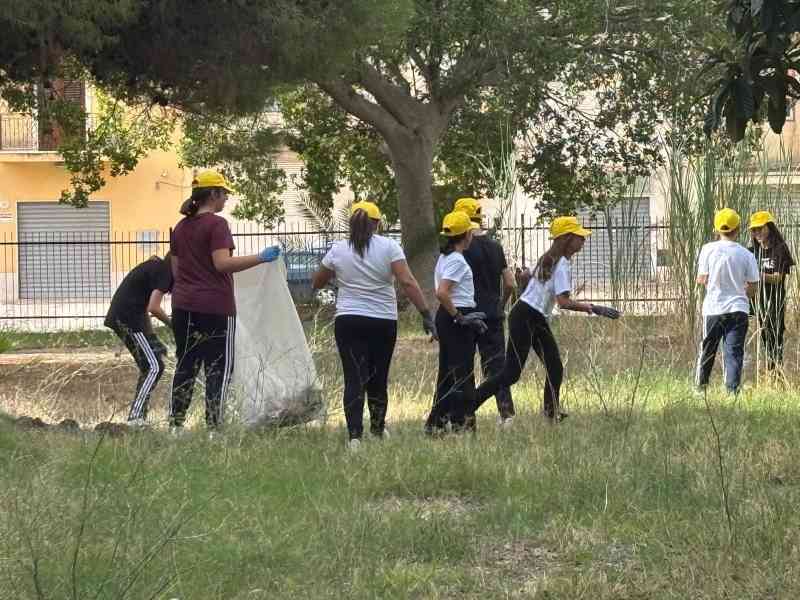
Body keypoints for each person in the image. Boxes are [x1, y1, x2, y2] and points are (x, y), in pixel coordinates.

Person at [312, 201, 435, 449]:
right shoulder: (389, 247)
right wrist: (425, 313)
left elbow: (317, 281)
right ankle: (378, 429)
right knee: (378, 377)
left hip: (348, 320)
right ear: (377, 224)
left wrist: (339, 280)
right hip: (383, 321)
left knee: (354, 378)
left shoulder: (338, 250)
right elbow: (408, 281)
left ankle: (354, 437)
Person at [474, 216, 621, 422]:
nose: (583, 240)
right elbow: (563, 301)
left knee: (554, 366)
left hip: (531, 315)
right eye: (579, 236)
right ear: (567, 239)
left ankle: (551, 414)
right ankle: (469, 403)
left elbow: (526, 279)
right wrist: (593, 308)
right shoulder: (560, 264)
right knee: (511, 373)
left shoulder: (549, 257)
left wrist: (528, 284)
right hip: (526, 317)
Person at [168, 170, 281, 433]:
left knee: (186, 364)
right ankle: (213, 428)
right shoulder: (217, 225)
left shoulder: (181, 227)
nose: (226, 199)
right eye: (224, 194)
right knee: (218, 367)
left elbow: (175, 270)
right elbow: (222, 264)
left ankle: (175, 426)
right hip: (215, 308)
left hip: (183, 306)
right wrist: (260, 257)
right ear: (214, 194)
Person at [453, 197, 516, 427]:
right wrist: (500, 306)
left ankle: (467, 416)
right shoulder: (495, 246)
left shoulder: (460, 249)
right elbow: (510, 283)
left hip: (467, 316)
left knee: (465, 367)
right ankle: (506, 415)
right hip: (493, 315)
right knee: (497, 367)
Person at [425, 210, 488, 435]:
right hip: (456, 317)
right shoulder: (457, 260)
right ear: (467, 234)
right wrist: (459, 317)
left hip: (451, 317)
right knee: (462, 373)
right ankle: (460, 423)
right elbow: (442, 293)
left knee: (449, 372)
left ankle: (438, 423)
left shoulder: (446, 257)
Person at [695, 208, 760, 394]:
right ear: (738, 229)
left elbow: (701, 278)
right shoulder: (746, 255)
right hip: (738, 309)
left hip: (713, 309)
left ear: (716, 229)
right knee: (733, 352)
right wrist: (742, 295)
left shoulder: (707, 249)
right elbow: (753, 285)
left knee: (707, 349)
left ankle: (701, 388)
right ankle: (732, 391)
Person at [104, 253, 173, 426]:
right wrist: (174, 325)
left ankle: (138, 415)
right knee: (153, 367)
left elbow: (143, 307)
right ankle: (136, 417)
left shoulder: (155, 268)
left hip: (127, 316)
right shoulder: (164, 271)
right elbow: (154, 308)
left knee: (150, 365)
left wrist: (152, 338)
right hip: (127, 318)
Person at [749, 210, 795, 372]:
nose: (757, 233)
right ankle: (769, 368)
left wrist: (759, 275)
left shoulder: (779, 249)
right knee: (763, 335)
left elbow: (778, 278)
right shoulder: (751, 251)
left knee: (775, 335)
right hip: (758, 301)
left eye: (760, 228)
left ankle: (776, 370)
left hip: (774, 300)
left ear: (769, 227)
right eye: (754, 230)